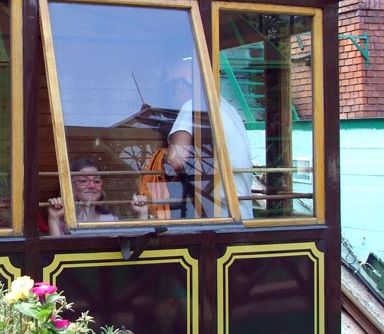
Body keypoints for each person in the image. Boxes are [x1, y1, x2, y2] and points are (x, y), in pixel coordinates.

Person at [165, 70, 255, 220]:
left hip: (219, 216)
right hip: (242, 215)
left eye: (170, 88)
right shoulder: (229, 109)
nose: (170, 96)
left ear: (180, 85)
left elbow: (176, 161)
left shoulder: (193, 106)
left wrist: (159, 157)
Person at [46, 158, 148, 235]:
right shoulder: (64, 223)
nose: (91, 186)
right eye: (83, 181)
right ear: (70, 186)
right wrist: (54, 218)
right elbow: (59, 251)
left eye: (96, 181)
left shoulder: (110, 220)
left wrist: (142, 214)